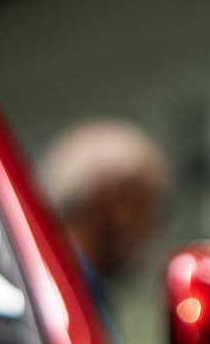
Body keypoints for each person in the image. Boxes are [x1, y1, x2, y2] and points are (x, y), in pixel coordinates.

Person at [36, 118, 172, 319]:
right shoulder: (53, 291)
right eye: (146, 209)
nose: (151, 230)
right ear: (109, 199)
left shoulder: (84, 290)